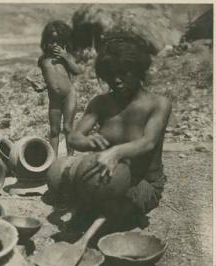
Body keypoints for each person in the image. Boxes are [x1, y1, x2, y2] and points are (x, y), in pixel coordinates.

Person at [68, 30, 171, 229]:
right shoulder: (101, 103)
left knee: (107, 212)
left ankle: (117, 215)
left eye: (124, 73)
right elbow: (74, 137)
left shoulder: (158, 104)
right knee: (67, 182)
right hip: (107, 179)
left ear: (139, 70)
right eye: (110, 75)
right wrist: (86, 141)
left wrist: (115, 152)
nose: (116, 80)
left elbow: (147, 142)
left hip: (141, 183)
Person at [27, 20, 83, 157]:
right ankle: (53, 161)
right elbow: (43, 79)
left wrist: (66, 57)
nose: (55, 44)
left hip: (69, 95)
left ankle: (70, 158)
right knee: (54, 131)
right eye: (51, 41)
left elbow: (77, 71)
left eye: (58, 41)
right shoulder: (43, 60)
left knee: (68, 128)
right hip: (54, 100)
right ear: (46, 41)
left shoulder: (66, 57)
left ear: (64, 41)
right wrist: (37, 84)